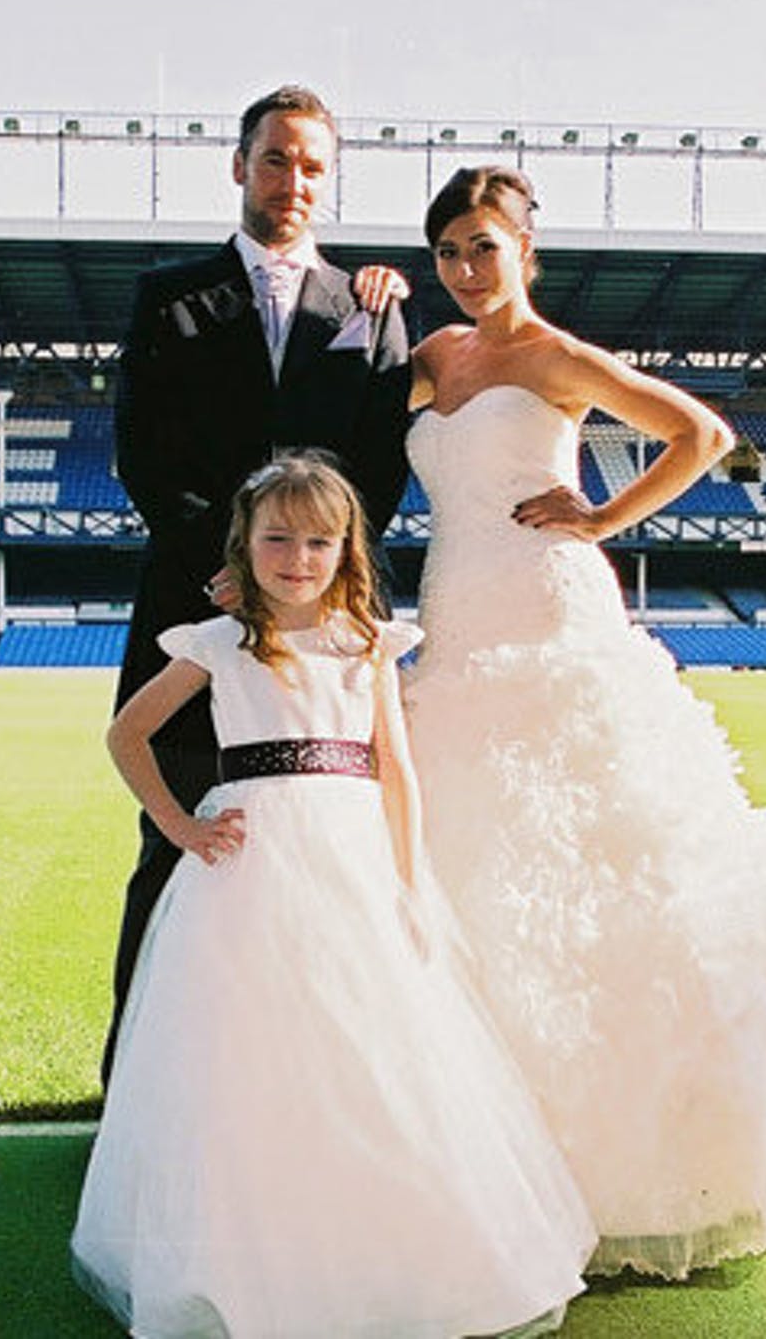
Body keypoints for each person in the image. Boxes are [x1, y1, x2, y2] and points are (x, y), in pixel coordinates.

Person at [401, 166, 766, 1279]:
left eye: (483, 247)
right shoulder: (432, 359)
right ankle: (473, 1142)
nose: (463, 270)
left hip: (545, 602)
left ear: (522, 250)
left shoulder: (555, 356)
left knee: (600, 855)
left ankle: (635, 1158)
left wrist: (599, 515)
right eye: (446, 251)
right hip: (451, 609)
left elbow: (697, 431)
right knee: (468, 854)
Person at [72, 453, 594, 1338]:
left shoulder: (367, 643)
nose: (298, 557)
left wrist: (408, 876)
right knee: (252, 1045)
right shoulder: (218, 642)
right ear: (244, 543)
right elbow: (128, 735)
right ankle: (251, 1240)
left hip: (352, 855)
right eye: (277, 538)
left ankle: (383, 1231)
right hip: (252, 866)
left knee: (375, 1038)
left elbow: (395, 767)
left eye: (319, 541)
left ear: (346, 547)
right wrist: (179, 825)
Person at [103, 84, 414, 1083]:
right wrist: (233, 571)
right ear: (238, 165)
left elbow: (379, 469)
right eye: (274, 158)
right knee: (173, 850)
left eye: (311, 164)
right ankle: (138, 1098)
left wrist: (314, 590)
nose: (292, 180)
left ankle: (305, 1095)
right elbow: (143, 454)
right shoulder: (169, 298)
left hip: (323, 641)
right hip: (197, 607)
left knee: (326, 871)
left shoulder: (370, 308)